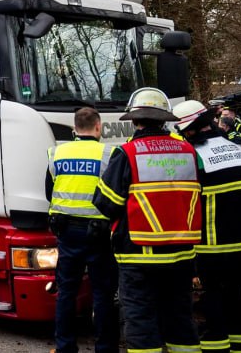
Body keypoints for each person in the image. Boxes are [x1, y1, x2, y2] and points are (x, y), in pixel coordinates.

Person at [93, 87, 202, 353]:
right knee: (180, 321)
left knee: (141, 322)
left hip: (138, 256)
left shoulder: (128, 153)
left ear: (135, 120)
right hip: (181, 254)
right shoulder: (188, 151)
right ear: (164, 119)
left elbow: (107, 203)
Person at [173, 100, 241, 353]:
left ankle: (215, 348)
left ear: (190, 129)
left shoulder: (195, 155)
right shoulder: (236, 148)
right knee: (236, 297)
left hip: (211, 243)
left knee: (212, 298)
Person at [44, 107, 119, 353]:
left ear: (75, 128)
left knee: (66, 291)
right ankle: (105, 348)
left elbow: (49, 191)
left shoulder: (57, 153)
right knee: (103, 293)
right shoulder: (109, 153)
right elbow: (116, 195)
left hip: (66, 231)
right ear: (98, 127)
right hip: (99, 233)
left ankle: (65, 346)